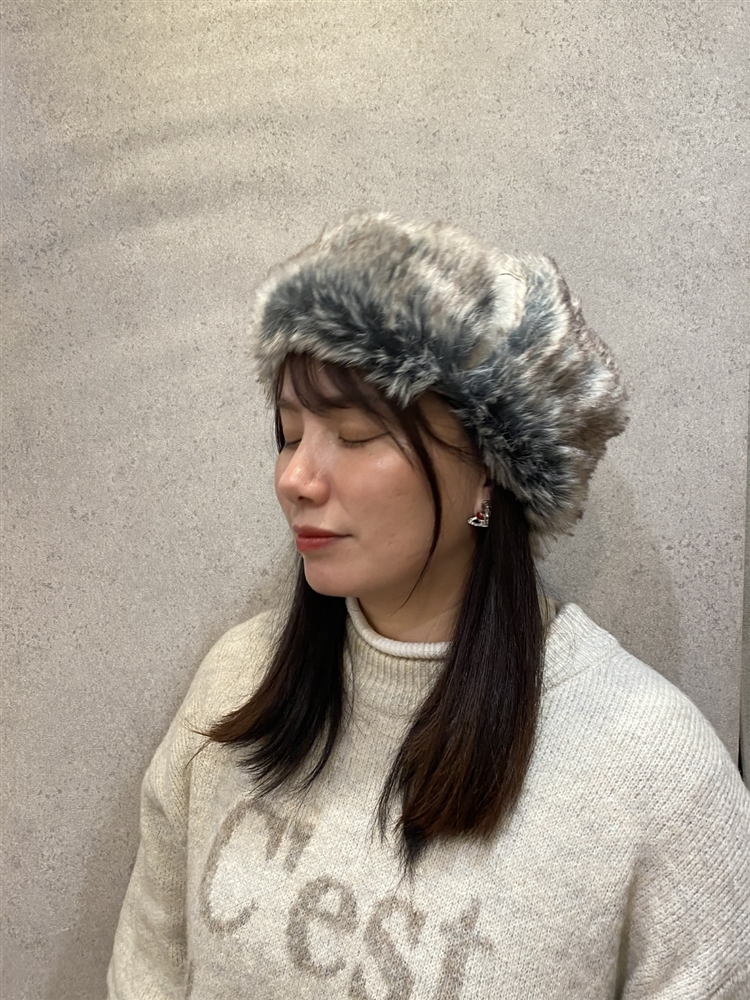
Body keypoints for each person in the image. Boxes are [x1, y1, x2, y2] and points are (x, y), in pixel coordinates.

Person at [107, 212, 750, 999]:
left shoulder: (652, 771)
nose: (295, 478)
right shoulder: (238, 680)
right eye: (290, 433)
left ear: (487, 473)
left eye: (352, 434)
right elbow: (149, 968)